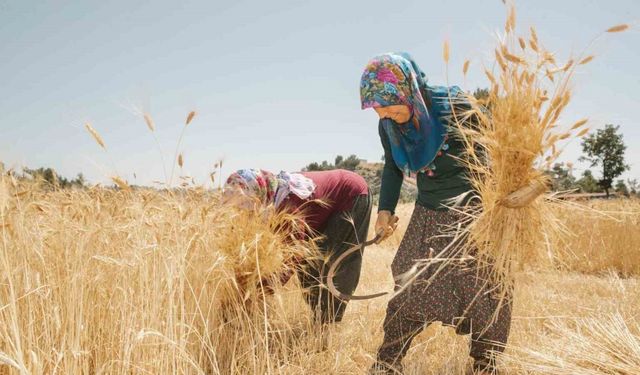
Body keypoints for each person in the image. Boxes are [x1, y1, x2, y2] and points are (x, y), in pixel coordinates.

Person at [360, 52, 512, 374]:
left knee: (484, 288)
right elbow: (391, 167)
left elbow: (499, 146)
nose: (386, 115)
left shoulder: (455, 107)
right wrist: (385, 210)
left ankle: (486, 364)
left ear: (408, 90)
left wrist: (505, 196)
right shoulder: (388, 126)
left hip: (473, 215)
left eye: (391, 106)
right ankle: (388, 363)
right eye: (378, 110)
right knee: (408, 281)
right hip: (428, 213)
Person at [224, 168, 372, 324]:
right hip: (324, 209)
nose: (243, 214)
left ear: (258, 196)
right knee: (309, 268)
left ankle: (327, 326)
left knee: (331, 266)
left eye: (245, 208)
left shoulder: (287, 207)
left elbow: (292, 258)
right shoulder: (268, 198)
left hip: (351, 196)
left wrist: (255, 293)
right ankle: (320, 320)